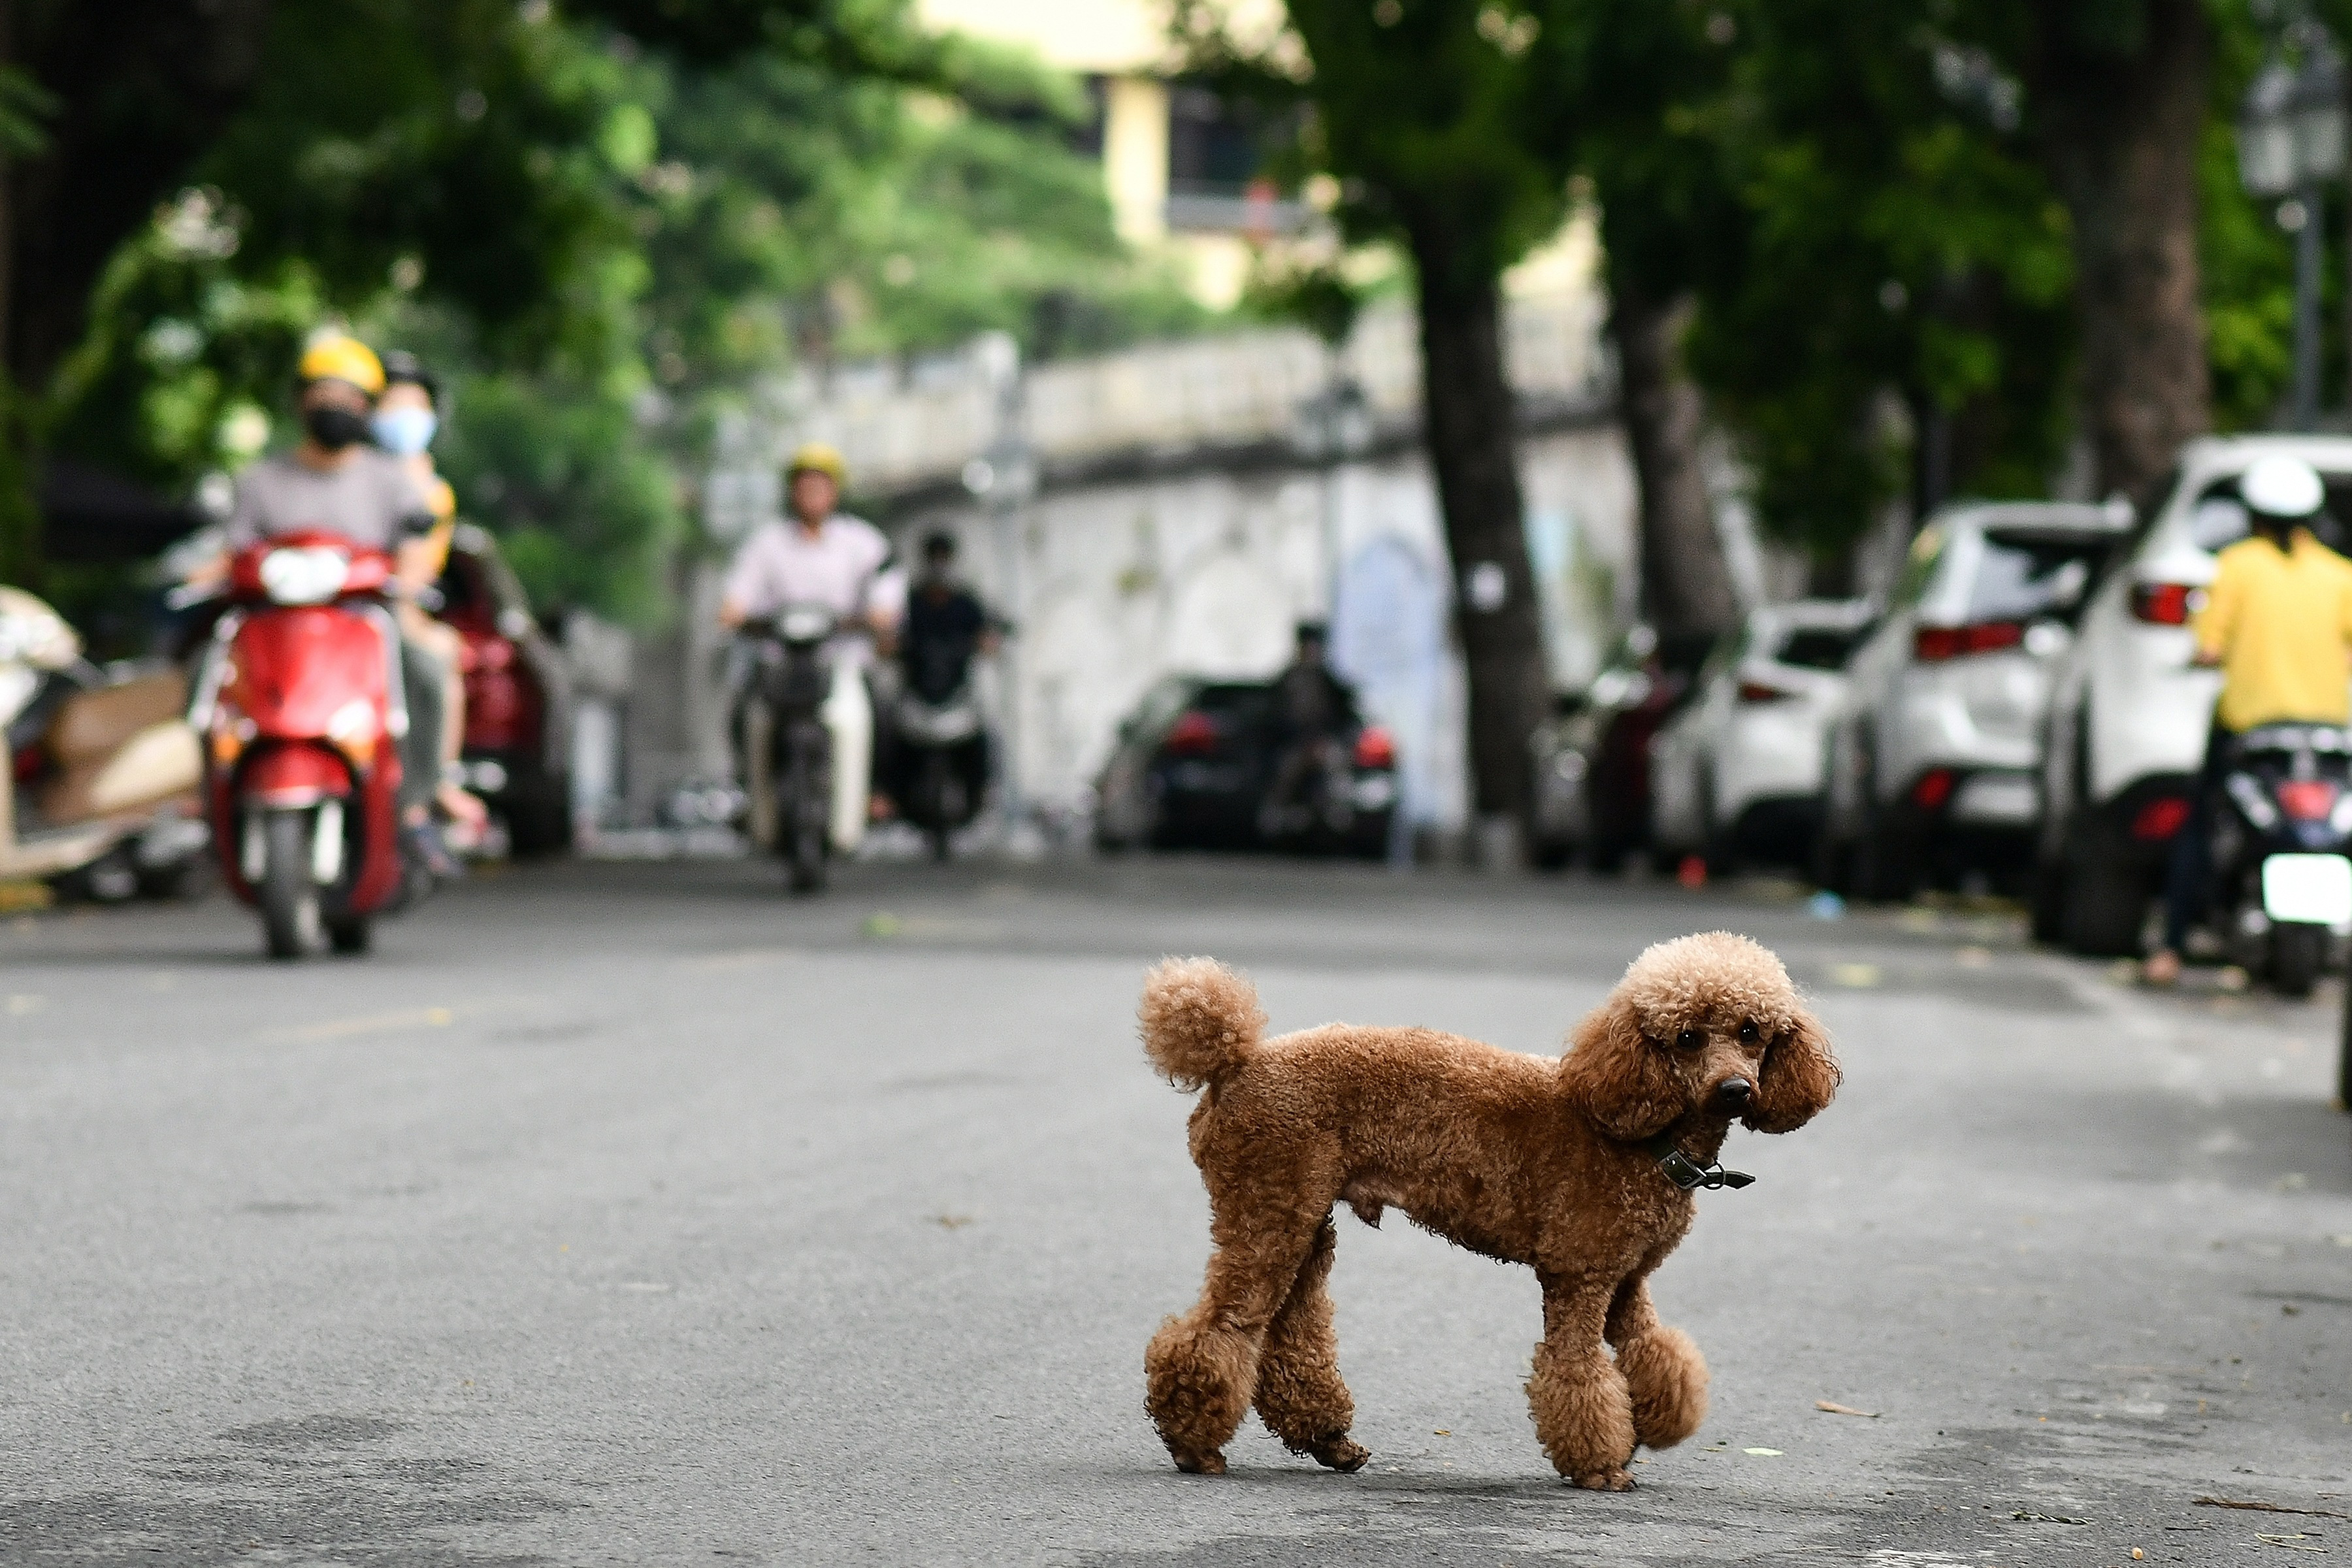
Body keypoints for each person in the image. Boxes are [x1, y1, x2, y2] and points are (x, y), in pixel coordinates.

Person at [207, 335, 465, 875]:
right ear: (301, 401)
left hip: (364, 623)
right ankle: (204, 803)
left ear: (367, 408)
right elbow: (231, 553)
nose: (334, 407)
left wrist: (410, 580)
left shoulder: (391, 480)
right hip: (276, 627)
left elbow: (418, 545)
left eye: (349, 398)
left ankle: (415, 804)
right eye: (323, 394)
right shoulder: (261, 480)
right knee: (202, 678)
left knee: (427, 672)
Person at [2144, 454, 2352, 985]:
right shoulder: (2339, 574)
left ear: (2254, 515)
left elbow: (2208, 645)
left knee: (2199, 826)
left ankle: (2171, 949)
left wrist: (2204, 655)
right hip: (2330, 733)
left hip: (2251, 729)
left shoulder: (2237, 565)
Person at [717, 443, 898, 851]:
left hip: (841, 660)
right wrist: (734, 611)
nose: (812, 493)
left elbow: (886, 584)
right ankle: (749, 795)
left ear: (834, 492)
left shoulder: (861, 541)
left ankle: (877, 794)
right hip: (780, 661)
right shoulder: (767, 544)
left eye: (821, 485)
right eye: (804, 485)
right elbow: (738, 592)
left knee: (881, 713)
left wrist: (880, 614)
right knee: (745, 714)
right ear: (791, 492)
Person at [372, 351, 489, 848]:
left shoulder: (429, 490)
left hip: (391, 609)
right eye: (391, 403)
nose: (402, 415)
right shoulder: (343, 470)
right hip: (324, 610)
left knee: (434, 660)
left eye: (412, 406)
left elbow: (416, 570)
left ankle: (427, 789)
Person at [1260, 621, 1360, 838]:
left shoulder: (1328, 681)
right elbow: (1274, 718)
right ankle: (1275, 812)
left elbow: (1343, 716)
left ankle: (1338, 811)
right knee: (1286, 768)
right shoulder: (1288, 680)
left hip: (1323, 743)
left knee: (1336, 765)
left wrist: (1326, 739)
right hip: (1294, 743)